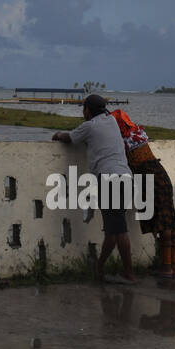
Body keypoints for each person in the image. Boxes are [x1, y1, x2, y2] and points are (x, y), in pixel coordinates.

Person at [51, 94, 137, 283]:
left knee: (119, 231)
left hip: (109, 179)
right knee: (114, 230)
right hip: (125, 177)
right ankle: (100, 269)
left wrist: (57, 135)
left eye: (84, 109)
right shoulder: (112, 122)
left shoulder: (89, 126)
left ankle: (128, 274)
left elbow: (69, 138)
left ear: (87, 110)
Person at [113, 108, 175, 279]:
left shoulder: (121, 139)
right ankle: (174, 267)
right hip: (161, 174)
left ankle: (166, 268)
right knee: (170, 221)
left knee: (163, 222)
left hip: (149, 178)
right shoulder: (139, 132)